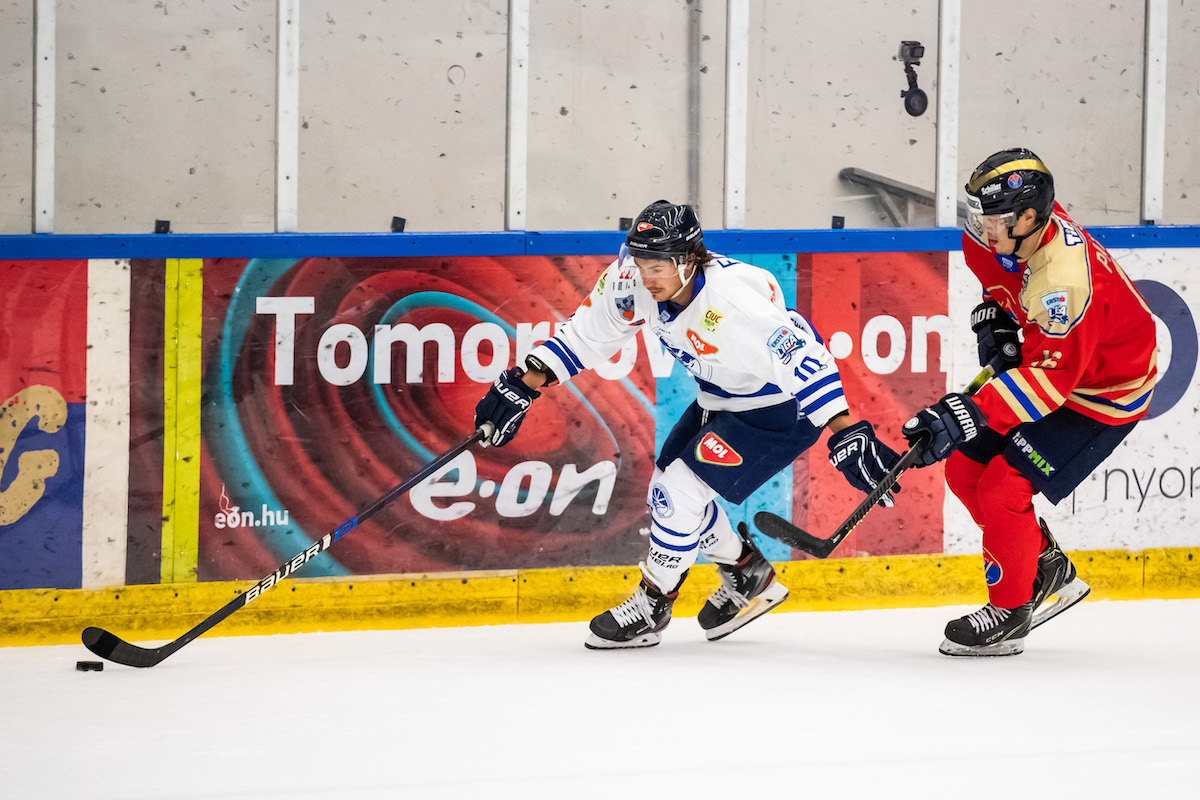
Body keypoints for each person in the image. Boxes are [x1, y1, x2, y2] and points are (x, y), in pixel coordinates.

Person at [474, 199, 901, 649]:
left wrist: (845, 430)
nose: (645, 274)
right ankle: (746, 572)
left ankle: (653, 602)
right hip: (720, 399)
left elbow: (805, 359)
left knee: (678, 491)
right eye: (640, 261)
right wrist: (526, 382)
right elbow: (589, 332)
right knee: (670, 493)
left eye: (657, 264)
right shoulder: (635, 279)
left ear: (688, 259)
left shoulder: (733, 301)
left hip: (778, 410)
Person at [901, 148, 1158, 656]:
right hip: (1062, 364)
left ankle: (1011, 611)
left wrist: (968, 412)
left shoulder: (1064, 280)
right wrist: (994, 315)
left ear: (1028, 216)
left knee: (1002, 485)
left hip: (1104, 391)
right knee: (963, 472)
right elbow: (1002, 286)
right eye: (978, 213)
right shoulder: (1007, 234)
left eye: (993, 218)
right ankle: (1047, 569)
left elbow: (1050, 382)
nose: (981, 227)